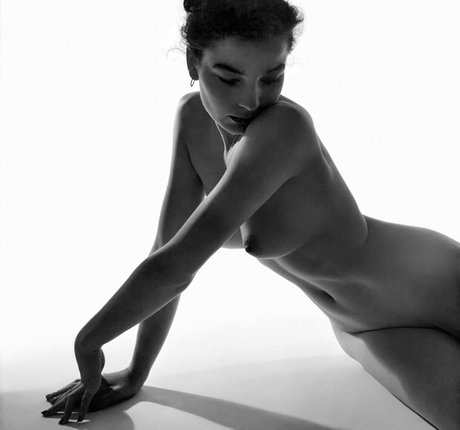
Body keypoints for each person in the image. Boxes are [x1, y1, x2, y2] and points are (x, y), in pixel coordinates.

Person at [41, 0, 460, 428]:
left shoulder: (282, 129)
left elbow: (176, 267)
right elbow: (166, 251)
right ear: (193, 62)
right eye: (229, 78)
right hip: (362, 329)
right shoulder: (192, 121)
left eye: (272, 77)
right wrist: (136, 373)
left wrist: (89, 341)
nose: (253, 99)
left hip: (437, 283)